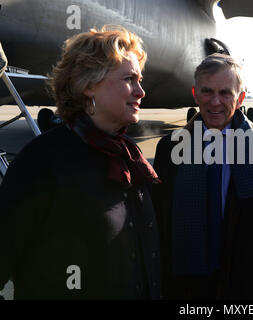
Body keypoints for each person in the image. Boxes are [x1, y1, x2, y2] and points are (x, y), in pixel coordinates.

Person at [0, 25, 161, 299]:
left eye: (140, 80)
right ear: (89, 86)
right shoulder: (42, 161)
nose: (141, 91)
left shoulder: (129, 156)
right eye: (129, 79)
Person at [152, 53, 253, 299]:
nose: (215, 102)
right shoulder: (170, 148)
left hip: (243, 288)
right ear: (195, 94)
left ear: (240, 98)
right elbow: (160, 219)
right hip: (187, 288)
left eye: (225, 93)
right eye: (207, 92)